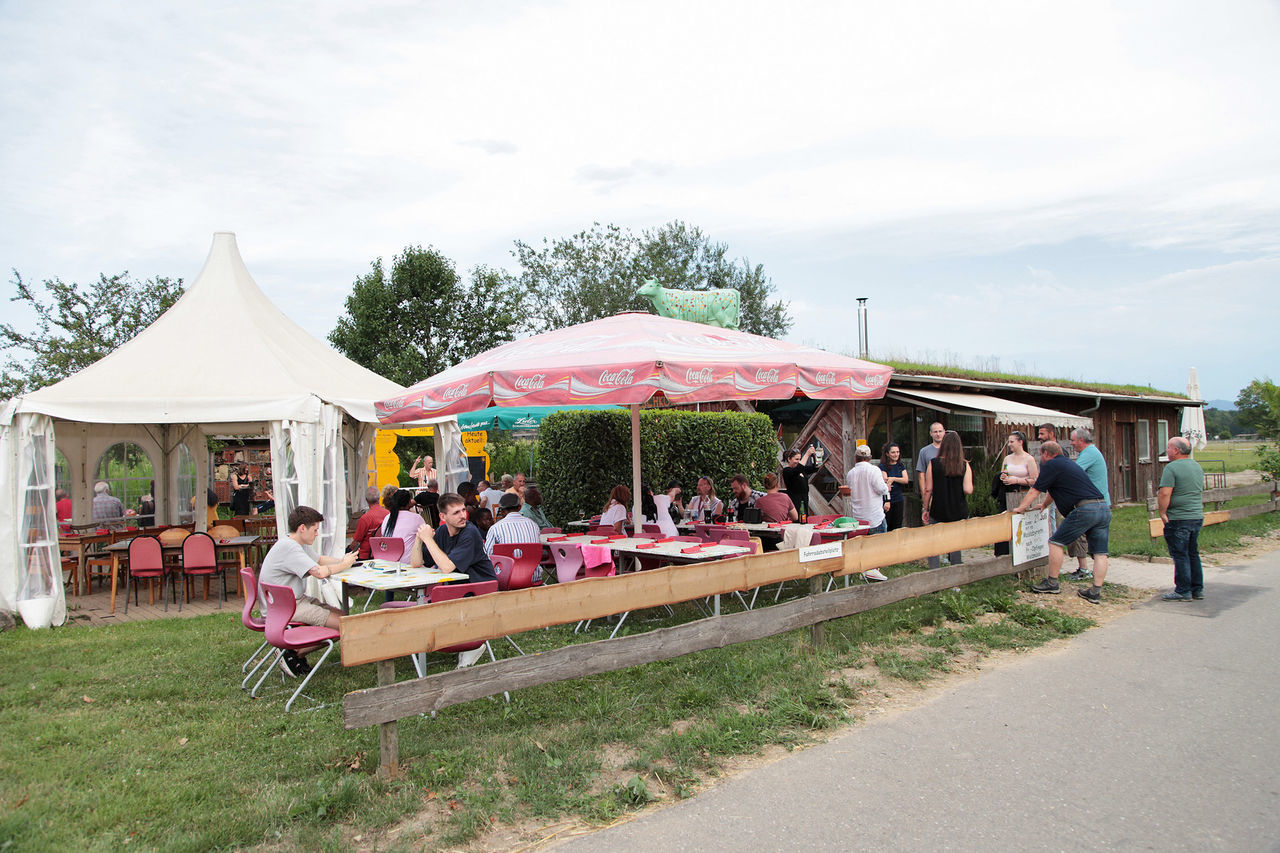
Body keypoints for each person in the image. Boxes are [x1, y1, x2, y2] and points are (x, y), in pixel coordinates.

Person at [258, 505, 357, 676]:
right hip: (286, 607)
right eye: (315, 530)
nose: (317, 534)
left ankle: (293, 652)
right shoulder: (290, 548)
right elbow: (319, 572)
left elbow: (319, 560)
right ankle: (292, 653)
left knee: (344, 617)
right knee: (345, 625)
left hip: (287, 602)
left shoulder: (293, 542)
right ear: (302, 528)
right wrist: (343, 565)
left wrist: (344, 561)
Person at [1013, 441, 1111, 603]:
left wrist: (1021, 508)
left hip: (1085, 509)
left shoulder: (1051, 465)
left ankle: (1052, 582)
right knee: (1100, 553)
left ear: (1046, 454)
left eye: (1041, 455)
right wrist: (1044, 504)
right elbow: (1054, 490)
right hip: (1103, 507)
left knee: (1056, 542)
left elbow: (1035, 489)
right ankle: (1095, 591)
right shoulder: (1069, 465)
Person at [410, 492, 498, 666]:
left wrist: (429, 540)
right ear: (443, 517)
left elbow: (447, 567)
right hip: (458, 591)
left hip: (480, 590)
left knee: (429, 609)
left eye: (463, 510)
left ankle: (472, 645)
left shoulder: (470, 532)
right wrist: (419, 539)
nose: (463, 515)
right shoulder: (443, 531)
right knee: (423, 611)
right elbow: (416, 563)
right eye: (456, 512)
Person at [1038, 423, 1089, 575]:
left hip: (1068, 497)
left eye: (1042, 434)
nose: (1039, 437)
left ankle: (1072, 568)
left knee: (1059, 536)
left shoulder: (1059, 453)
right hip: (1055, 494)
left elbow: (1061, 477)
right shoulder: (1048, 452)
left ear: (1051, 433)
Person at [1157, 437, 1204, 601]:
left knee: (1180, 554)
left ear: (1176, 450)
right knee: (1193, 552)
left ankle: (1183, 590)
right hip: (1196, 515)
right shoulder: (1196, 466)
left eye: (1169, 447)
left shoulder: (1172, 468)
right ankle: (1197, 588)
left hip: (1179, 517)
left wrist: (1162, 512)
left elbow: (1165, 493)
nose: (1167, 450)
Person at [922, 430, 973, 569]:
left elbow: (928, 489)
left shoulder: (933, 463)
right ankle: (955, 572)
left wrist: (925, 509)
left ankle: (934, 571)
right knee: (956, 544)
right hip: (958, 510)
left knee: (933, 543)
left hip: (938, 509)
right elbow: (968, 489)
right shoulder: (964, 465)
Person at [1066, 427, 1110, 581]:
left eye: (1073, 440)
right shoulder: (1092, 452)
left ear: (1081, 440)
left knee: (1075, 533)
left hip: (1092, 504)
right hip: (1101, 504)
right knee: (1099, 547)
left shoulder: (1089, 453)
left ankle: (1084, 569)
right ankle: (1097, 580)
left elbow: (1073, 473)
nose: (1071, 443)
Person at [484, 493, 542, 563]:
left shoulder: (495, 528)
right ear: (519, 507)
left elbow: (487, 555)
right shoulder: (533, 525)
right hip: (532, 568)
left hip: (506, 569)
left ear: (502, 510)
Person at [380, 489, 425, 557]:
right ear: (409, 503)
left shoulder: (387, 518)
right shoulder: (416, 518)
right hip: (409, 561)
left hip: (389, 559)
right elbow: (426, 537)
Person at [349, 486, 389, 559]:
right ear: (379, 498)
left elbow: (356, 542)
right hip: (384, 551)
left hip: (366, 555)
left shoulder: (365, 518)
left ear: (366, 500)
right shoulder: (388, 514)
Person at [878, 443, 909, 531]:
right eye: (893, 452)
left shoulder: (900, 465)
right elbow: (885, 482)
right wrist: (887, 501)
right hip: (887, 500)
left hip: (898, 499)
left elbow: (906, 480)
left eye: (897, 452)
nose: (896, 454)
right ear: (887, 454)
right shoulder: (883, 466)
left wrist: (893, 479)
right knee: (888, 525)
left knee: (897, 525)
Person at [782, 446, 819, 515]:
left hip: (804, 500)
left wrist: (816, 456)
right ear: (789, 459)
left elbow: (815, 468)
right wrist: (807, 454)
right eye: (796, 459)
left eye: (800, 459)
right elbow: (797, 470)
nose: (798, 462)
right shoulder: (787, 471)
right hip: (795, 502)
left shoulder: (801, 469)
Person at [915, 422, 946, 500]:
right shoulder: (924, 451)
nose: (938, 434)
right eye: (935, 432)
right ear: (930, 433)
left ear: (944, 432)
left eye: (940, 431)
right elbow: (921, 475)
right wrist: (924, 495)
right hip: (931, 494)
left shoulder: (951, 450)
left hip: (948, 492)